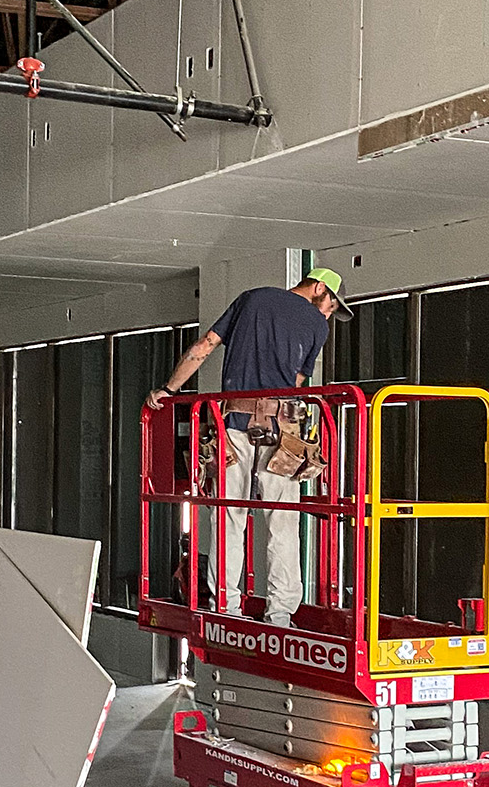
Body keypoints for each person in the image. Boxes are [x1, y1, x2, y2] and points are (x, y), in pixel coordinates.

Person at [146, 269, 353, 627]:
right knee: (282, 523)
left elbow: (204, 346)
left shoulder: (252, 297)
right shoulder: (318, 327)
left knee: (227, 519)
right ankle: (280, 615)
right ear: (319, 287)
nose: (327, 314)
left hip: (233, 429)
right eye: (330, 306)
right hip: (282, 434)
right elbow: (296, 383)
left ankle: (225, 606)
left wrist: (169, 390)